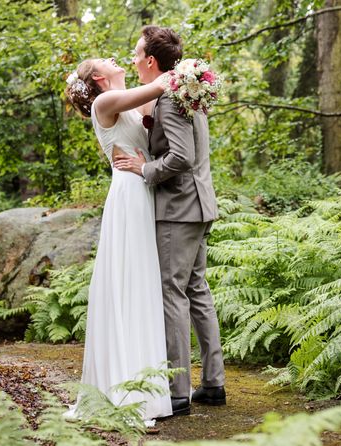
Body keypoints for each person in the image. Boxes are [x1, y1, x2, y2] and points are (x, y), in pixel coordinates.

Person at [114, 26, 226, 416]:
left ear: (150, 61)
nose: (131, 58)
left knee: (172, 293)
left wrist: (146, 168)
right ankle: (213, 383)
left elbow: (181, 157)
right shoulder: (183, 93)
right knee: (197, 290)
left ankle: (178, 390)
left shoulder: (171, 101)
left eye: (135, 52)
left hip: (179, 209)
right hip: (199, 205)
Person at [63, 57, 172, 424]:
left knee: (142, 285)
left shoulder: (124, 98)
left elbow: (153, 112)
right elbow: (160, 86)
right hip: (127, 194)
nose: (116, 59)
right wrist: (190, 71)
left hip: (142, 188)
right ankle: (127, 390)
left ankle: (146, 386)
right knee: (128, 283)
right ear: (98, 77)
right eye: (106, 61)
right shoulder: (103, 103)